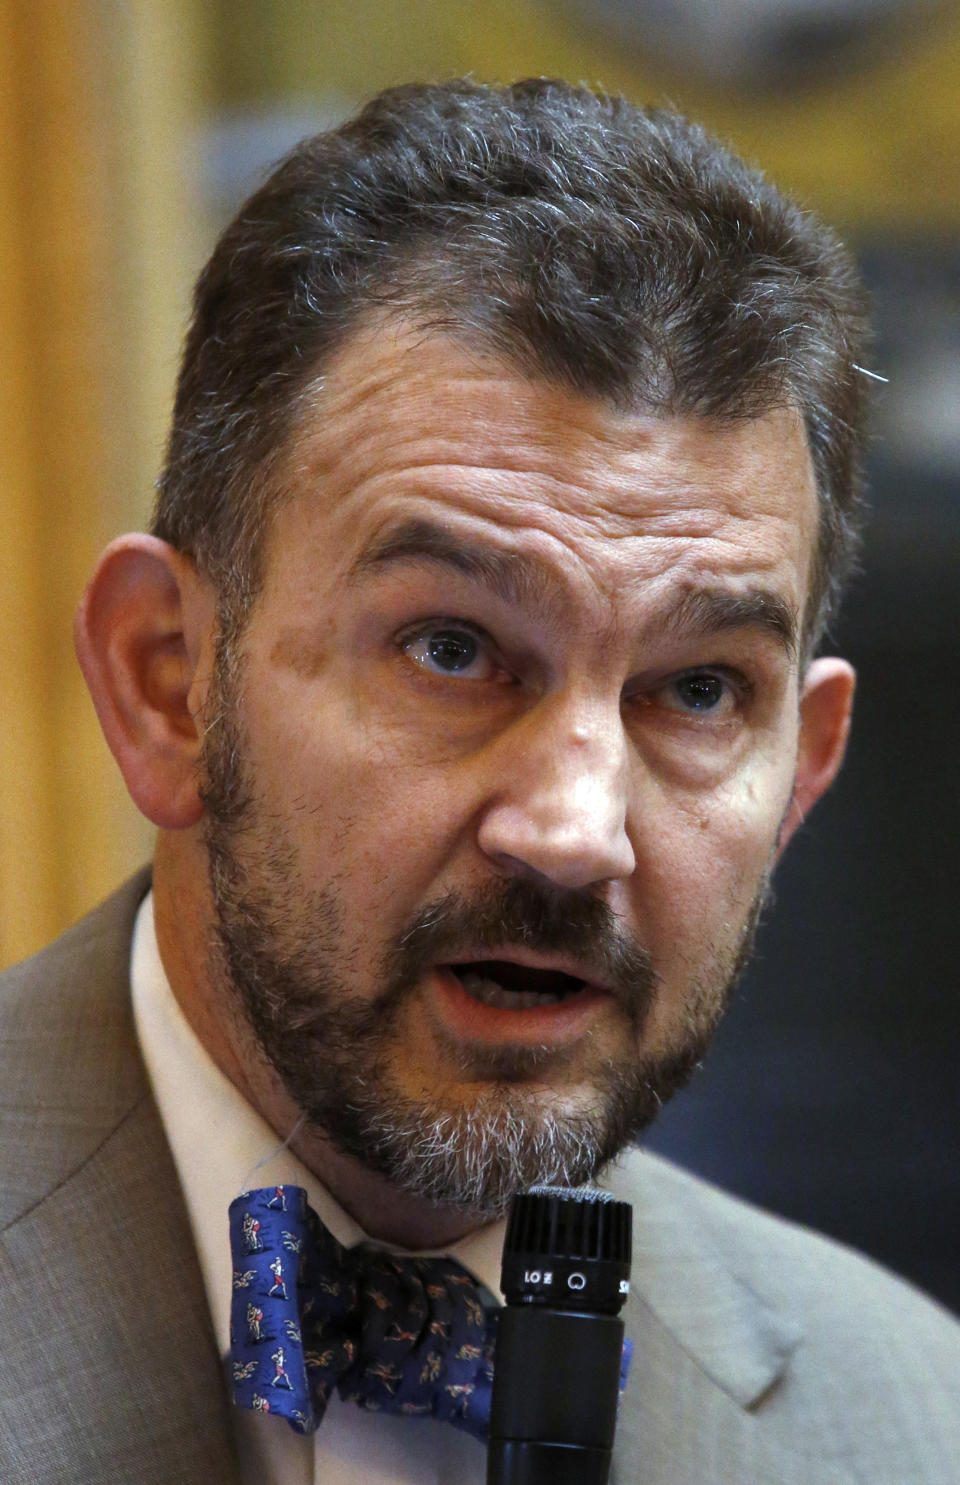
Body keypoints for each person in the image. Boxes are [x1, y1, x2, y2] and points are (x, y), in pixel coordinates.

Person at [0, 78, 956, 1484]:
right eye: (454, 649)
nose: (572, 833)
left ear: (801, 773)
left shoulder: (914, 1417)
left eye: (698, 690)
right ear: (164, 679)